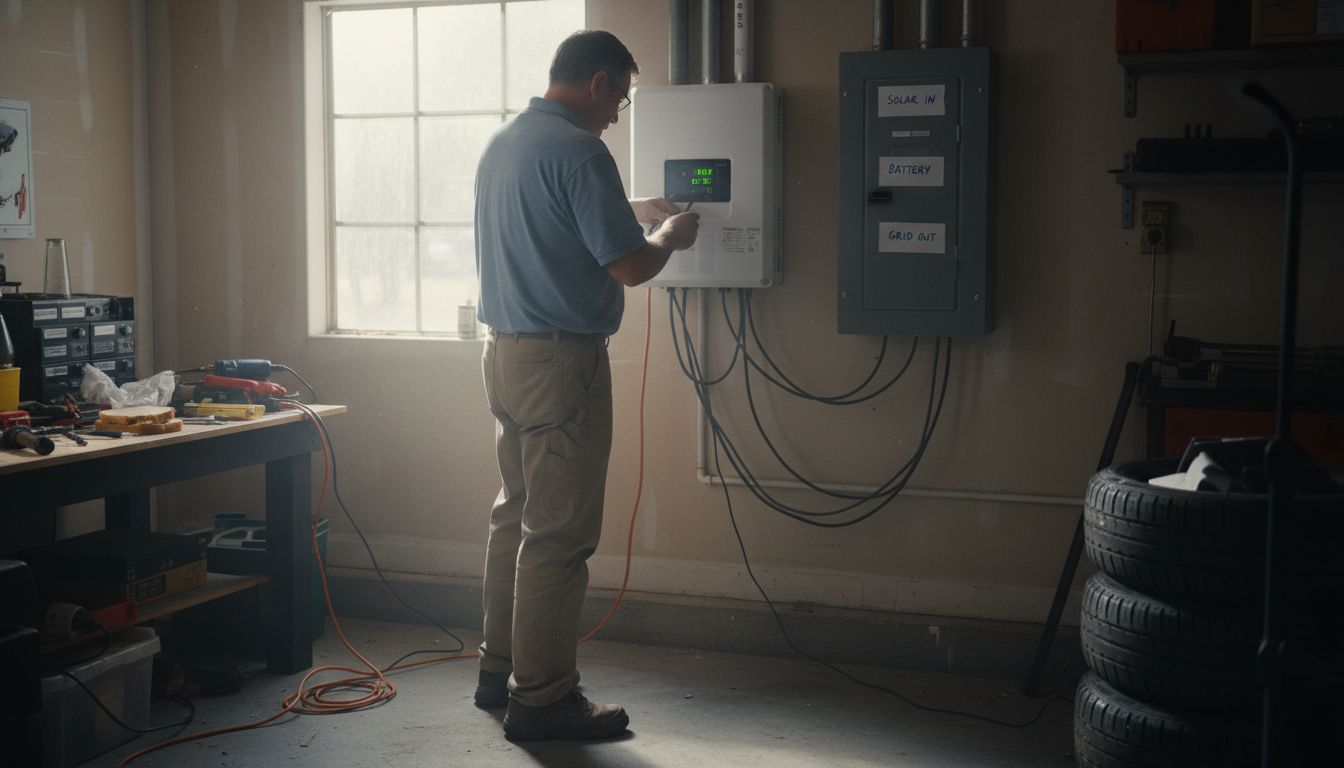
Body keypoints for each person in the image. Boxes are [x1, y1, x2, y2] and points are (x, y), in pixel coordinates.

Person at [472, 30, 700, 742]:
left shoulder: (507, 144)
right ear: (599, 83)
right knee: (560, 535)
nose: (617, 116)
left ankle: (499, 669)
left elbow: (551, 222)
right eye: (620, 100)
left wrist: (628, 207)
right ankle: (541, 699)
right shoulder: (579, 150)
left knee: (515, 516)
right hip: (562, 364)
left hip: (506, 357)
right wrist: (671, 236)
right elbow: (631, 268)